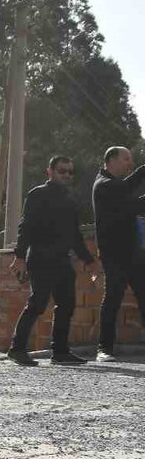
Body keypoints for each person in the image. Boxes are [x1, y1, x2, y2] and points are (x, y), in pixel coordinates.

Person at [7, 155, 96, 366]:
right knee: (37, 304)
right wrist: (19, 257)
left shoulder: (69, 200)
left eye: (69, 172)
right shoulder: (37, 195)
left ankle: (60, 352)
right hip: (40, 257)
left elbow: (75, 235)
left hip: (62, 260)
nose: (65, 175)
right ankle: (17, 348)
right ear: (50, 171)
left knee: (67, 304)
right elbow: (25, 227)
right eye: (61, 171)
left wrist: (89, 260)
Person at [92, 146, 145, 363]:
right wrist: (143, 170)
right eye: (126, 159)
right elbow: (131, 200)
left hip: (133, 252)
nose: (129, 163)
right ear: (111, 160)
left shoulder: (117, 186)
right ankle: (104, 349)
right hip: (114, 255)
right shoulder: (103, 185)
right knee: (113, 299)